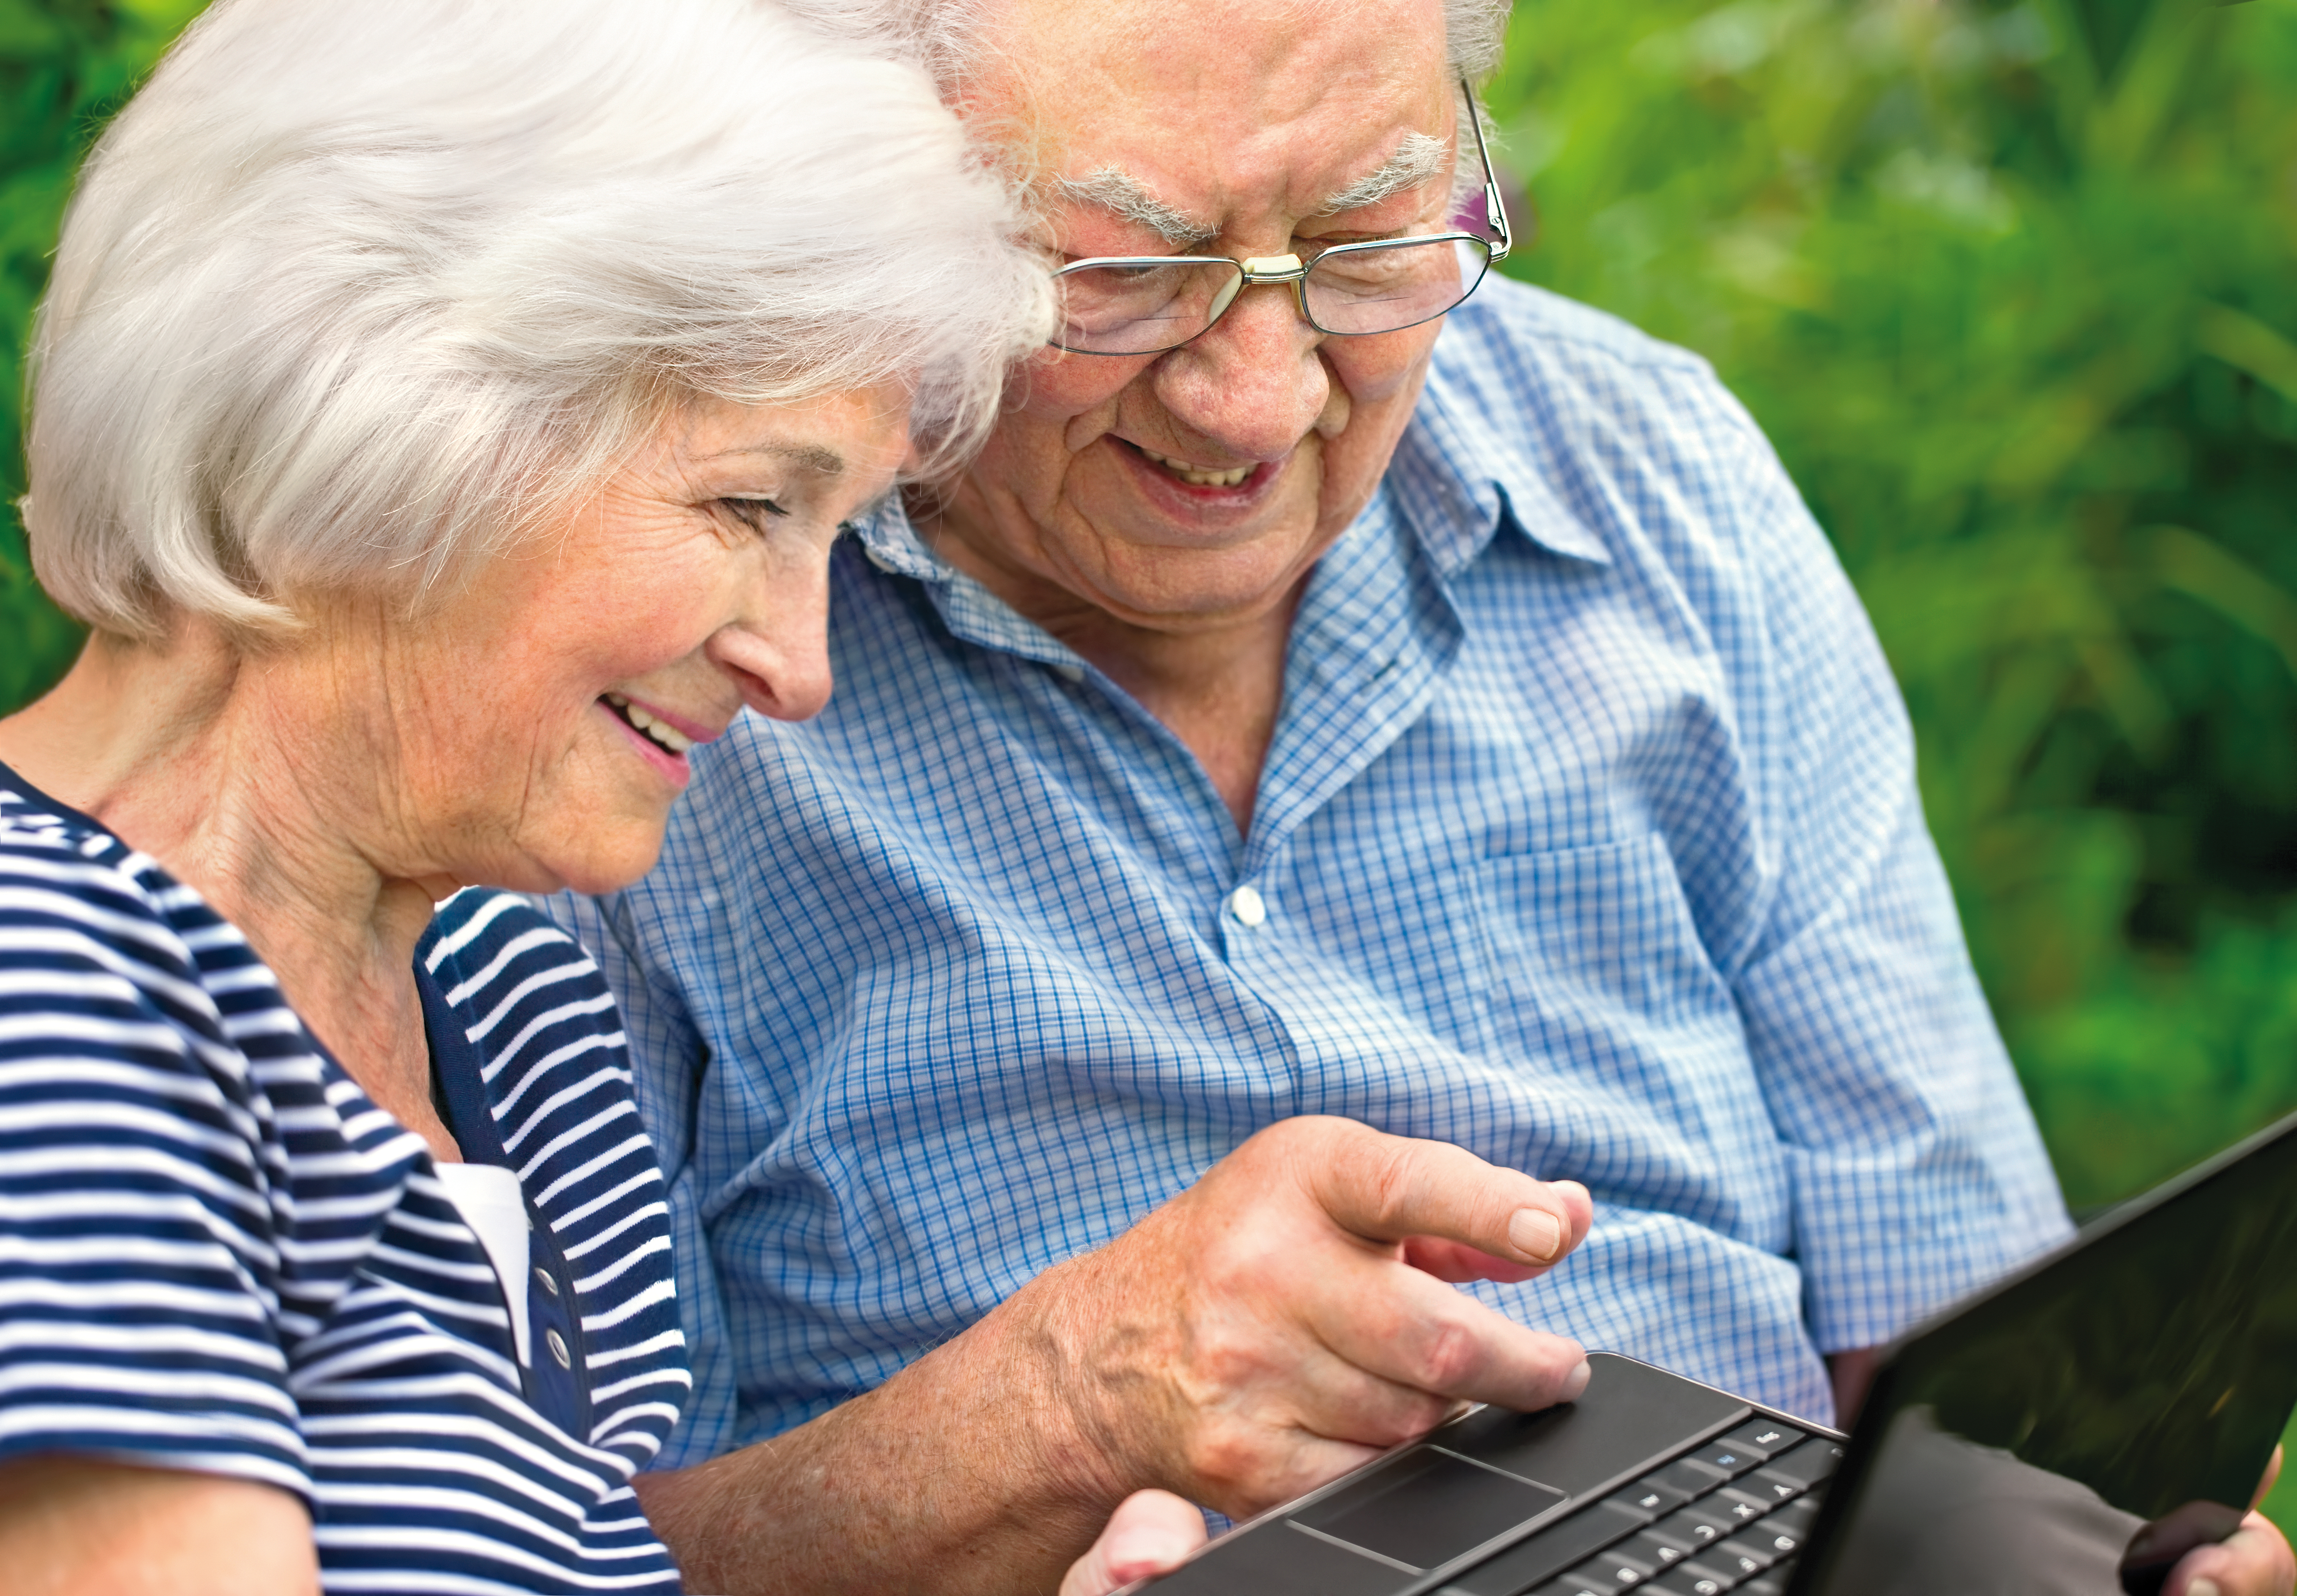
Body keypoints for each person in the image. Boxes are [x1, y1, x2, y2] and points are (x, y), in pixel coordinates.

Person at [553, 0, 2297, 1593]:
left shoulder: (1658, 483)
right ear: (869, 209)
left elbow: (1954, 1334)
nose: (1261, 395)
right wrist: (1054, 1415)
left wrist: (2064, 1547)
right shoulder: (646, 654)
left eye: (1366, 242)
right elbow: (541, 1558)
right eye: (1124, 275)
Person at [0, 0, 1243, 1588]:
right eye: (748, 504)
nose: (801, 667)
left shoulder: (511, 1005)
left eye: (837, 533)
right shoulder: (53, 985)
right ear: (371, 411)